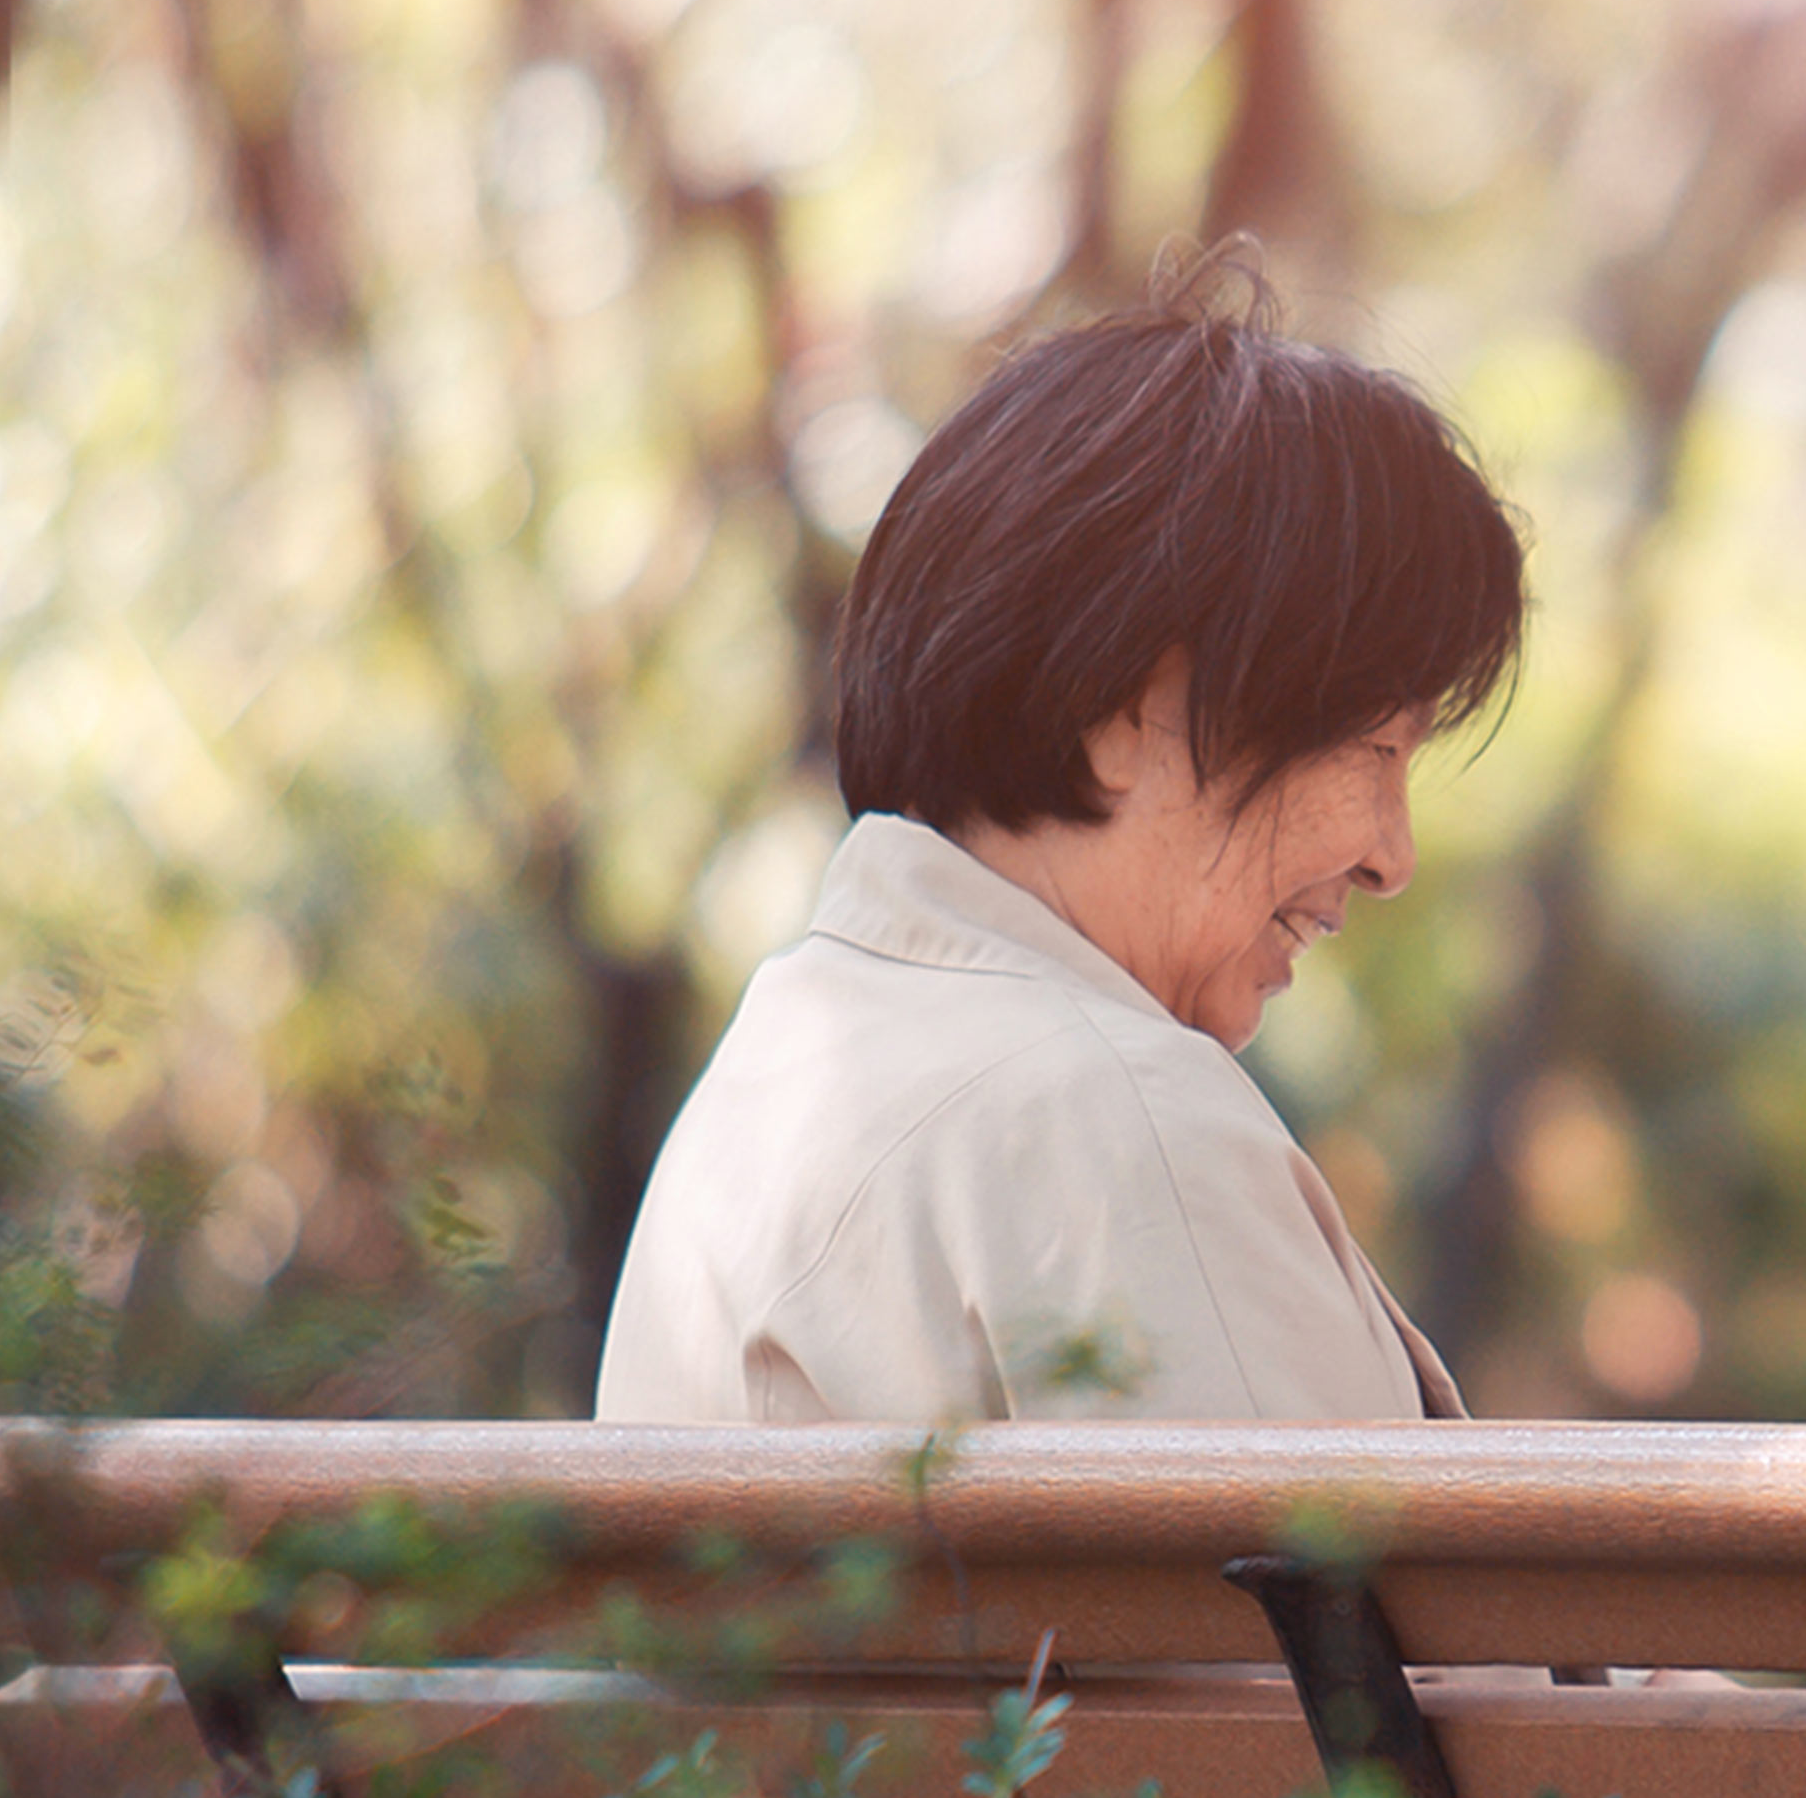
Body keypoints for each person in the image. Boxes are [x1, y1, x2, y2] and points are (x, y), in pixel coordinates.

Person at [596, 247, 1521, 1424]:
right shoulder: (1112, 1118)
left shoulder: (781, 1074)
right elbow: (1321, 1609)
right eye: (1378, 750)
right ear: (1126, 709)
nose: (1394, 856)